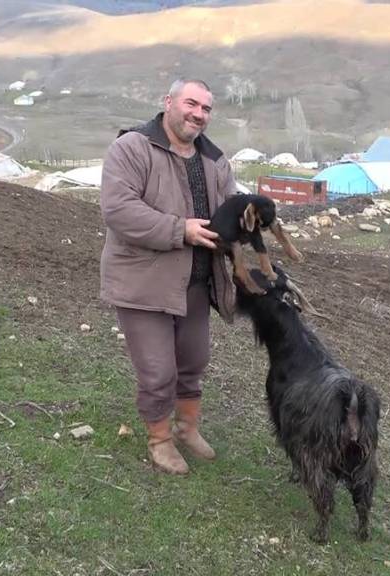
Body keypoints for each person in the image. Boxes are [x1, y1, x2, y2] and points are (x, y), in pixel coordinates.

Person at [99, 78, 238, 475]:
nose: (198, 114)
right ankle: (160, 440)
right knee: (159, 371)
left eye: (206, 108)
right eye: (191, 103)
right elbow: (119, 210)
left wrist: (251, 221)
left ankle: (186, 427)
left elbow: (229, 207)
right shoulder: (132, 148)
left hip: (195, 283)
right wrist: (181, 230)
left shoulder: (214, 160)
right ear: (169, 103)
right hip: (143, 283)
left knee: (194, 361)